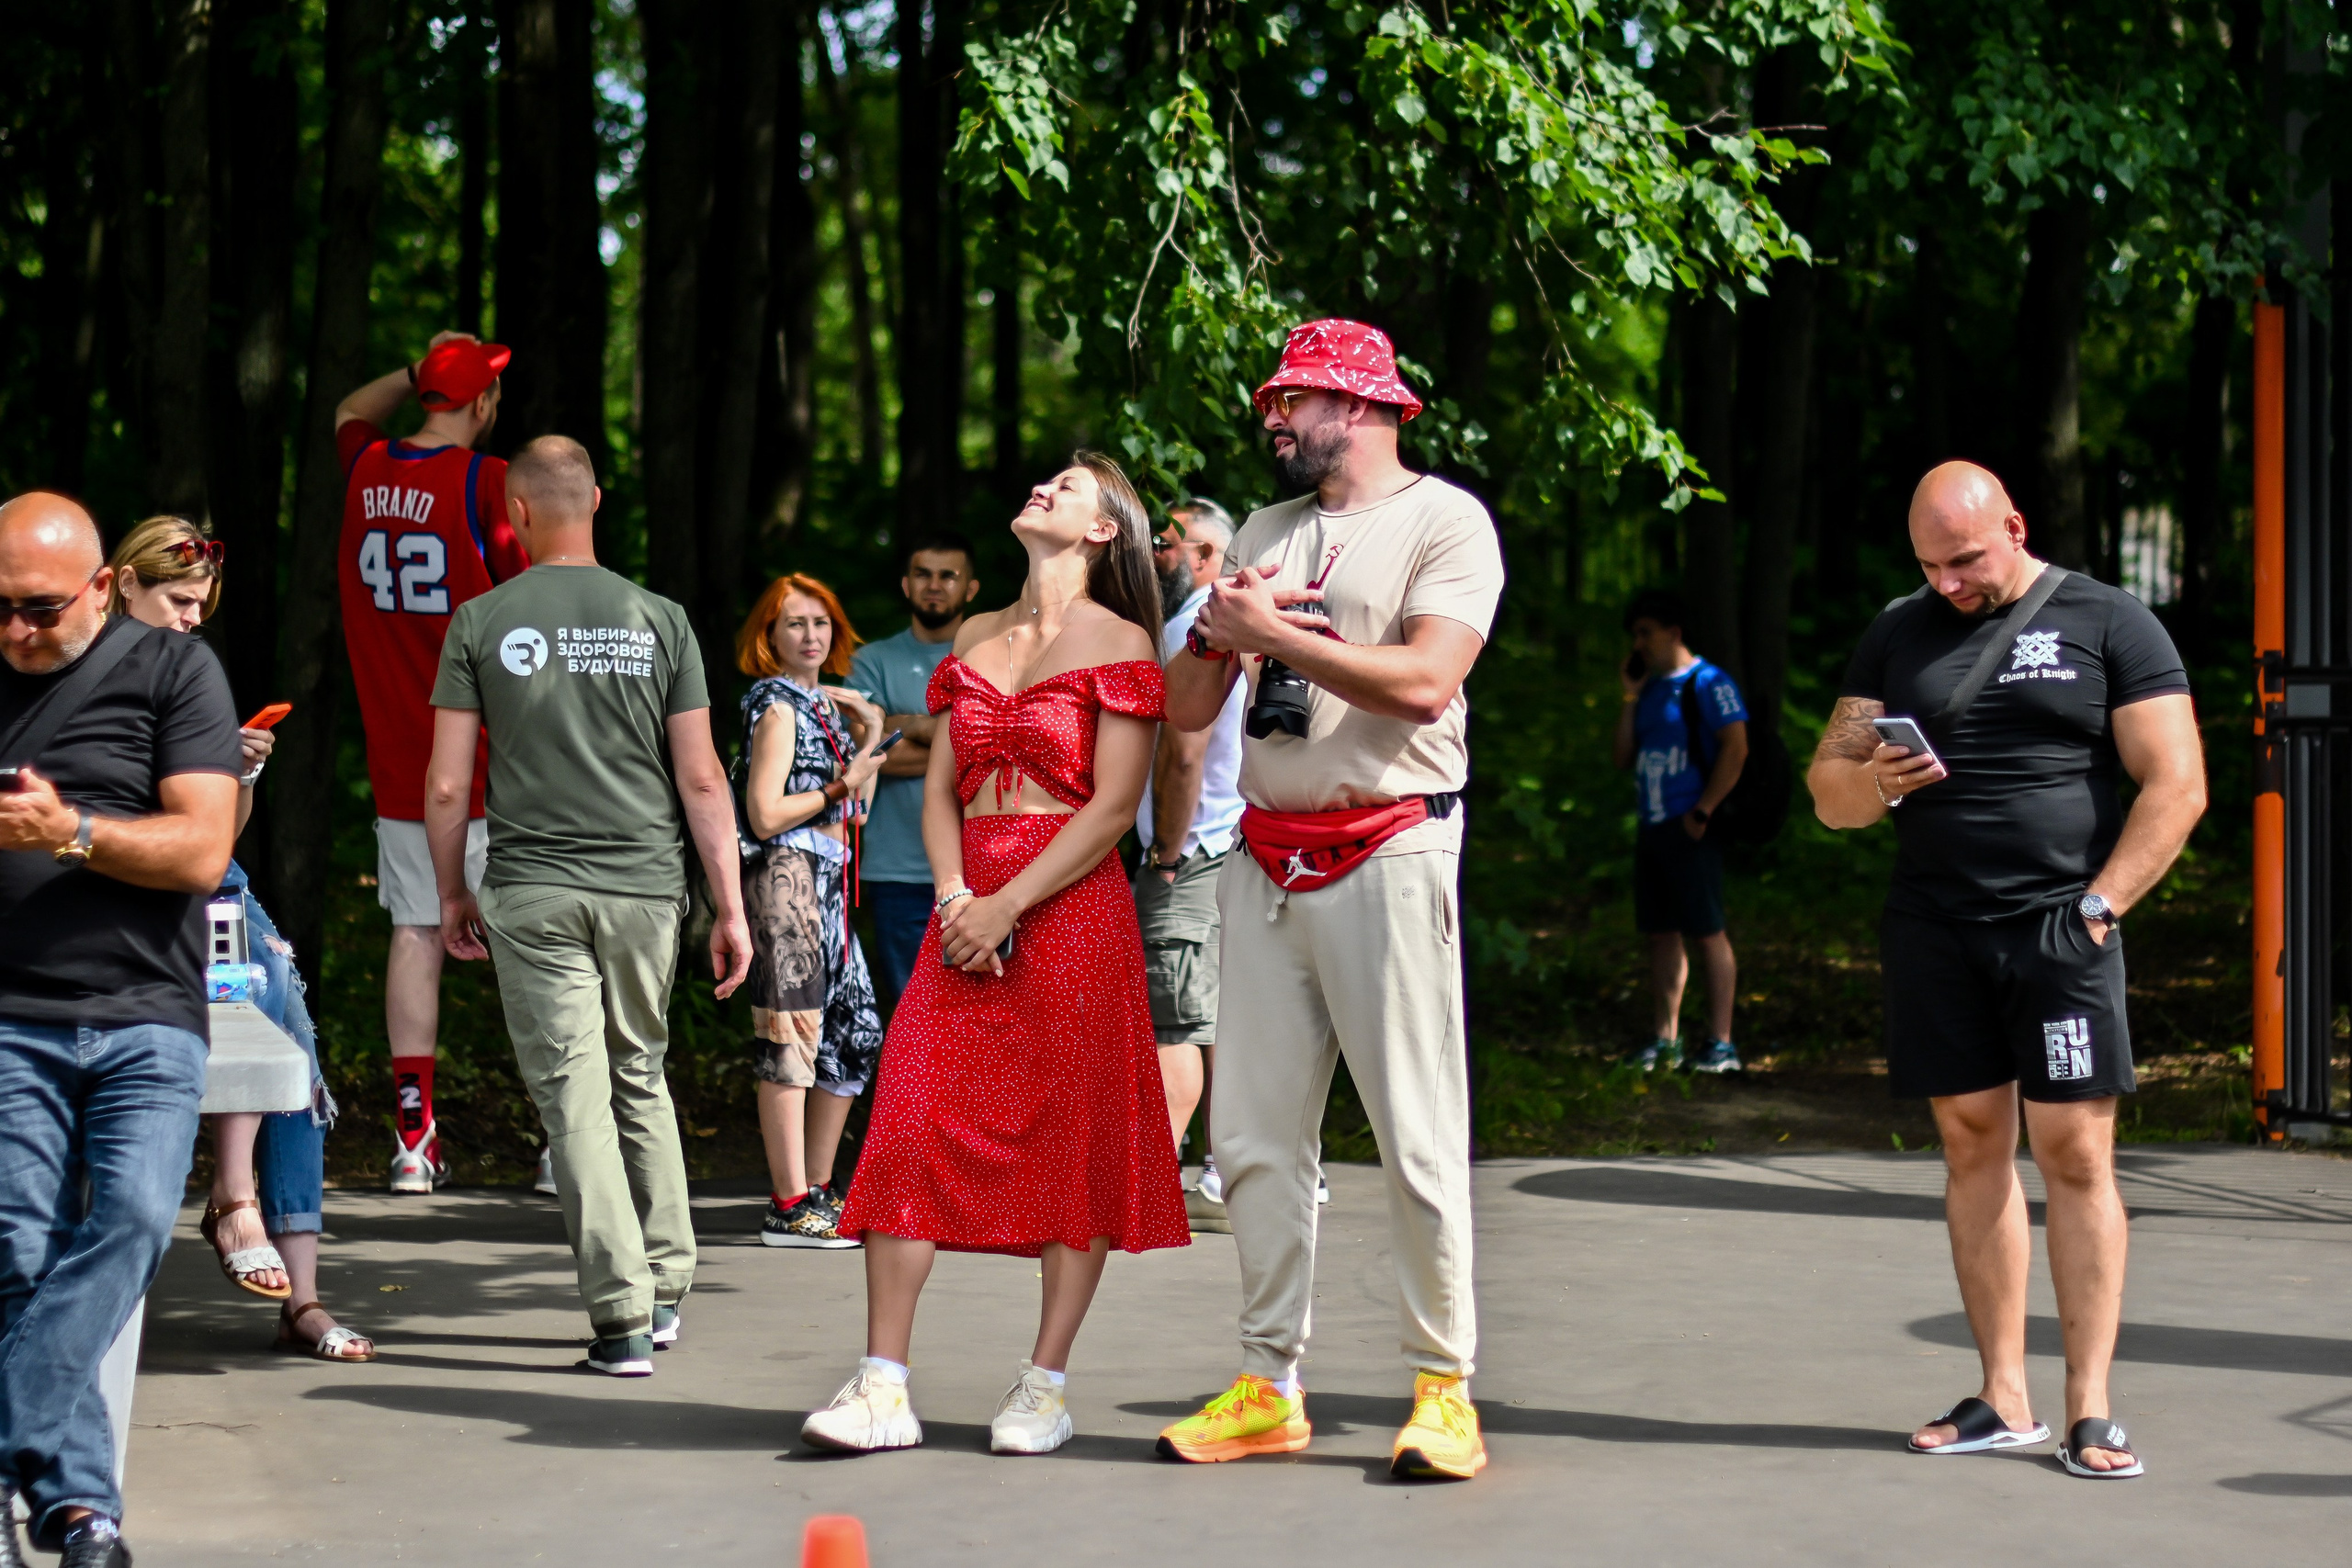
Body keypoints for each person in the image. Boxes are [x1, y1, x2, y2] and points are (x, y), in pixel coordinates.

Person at [1807, 460, 2205, 1478]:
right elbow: (1827, 790)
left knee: (2073, 1151)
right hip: (1935, 927)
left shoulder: (2111, 622)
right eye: (1931, 566)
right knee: (1970, 1141)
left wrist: (2101, 907)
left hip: (2059, 927)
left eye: (1967, 560)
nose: (1950, 583)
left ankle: (2090, 1409)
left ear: (2014, 526)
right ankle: (2002, 1396)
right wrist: (1875, 780)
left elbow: (2177, 785)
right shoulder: (1898, 631)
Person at [1159, 320, 1503, 1482]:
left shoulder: (1442, 521)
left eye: (1291, 402)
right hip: (1264, 859)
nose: (1273, 421)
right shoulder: (1263, 530)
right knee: (1251, 1136)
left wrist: (1280, 643)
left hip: (1390, 849)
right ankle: (1267, 1383)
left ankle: (1443, 1388)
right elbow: (1190, 708)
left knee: (1414, 1131)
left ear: (1355, 408)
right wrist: (1220, 629)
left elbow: (1424, 683)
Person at [799, 452, 1190, 1458]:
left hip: (1066, 910)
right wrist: (958, 898)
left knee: (1072, 1141)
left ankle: (1043, 1385)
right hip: (965, 907)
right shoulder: (975, 634)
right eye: (1045, 482)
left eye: (1067, 488)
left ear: (1104, 531)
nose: (1043, 490)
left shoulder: (1124, 641)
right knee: (910, 1119)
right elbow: (935, 787)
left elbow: (1112, 809)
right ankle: (884, 1383)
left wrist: (1012, 901)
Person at [424, 436, 752, 1376]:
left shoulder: (481, 621)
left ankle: (620, 1316)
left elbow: (447, 790)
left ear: (515, 514)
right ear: (596, 501)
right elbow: (700, 778)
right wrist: (728, 908)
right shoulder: (661, 619)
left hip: (533, 888)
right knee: (638, 1072)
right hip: (647, 889)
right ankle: (669, 1279)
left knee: (572, 1095)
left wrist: (452, 890)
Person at [0, 492, 240, 1565]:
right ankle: (80, 1511)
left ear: (101, 589)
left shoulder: (173, 671)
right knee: (13, 1249)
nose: (15, 632)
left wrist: (72, 834)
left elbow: (198, 852)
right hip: (11, 1015)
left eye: (39, 610)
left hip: (145, 1010)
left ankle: (17, 1435)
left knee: (138, 1219)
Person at [105, 517, 373, 1362]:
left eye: (201, 606)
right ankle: (231, 1195)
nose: (190, 619)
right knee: (247, 995)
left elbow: (222, 835)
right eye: (178, 600)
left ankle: (303, 1297)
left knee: (291, 1040)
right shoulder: (85, 674)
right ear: (121, 585)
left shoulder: (194, 673)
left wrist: (242, 771)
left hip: (216, 882)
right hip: (133, 888)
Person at [334, 330, 547, 1195]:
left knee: (416, 933)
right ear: (484, 405)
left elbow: (350, 408)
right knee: (535, 944)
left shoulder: (363, 468)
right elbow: (530, 605)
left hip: (401, 756)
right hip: (499, 760)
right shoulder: (486, 482)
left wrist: (416, 370)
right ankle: (556, 1141)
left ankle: (413, 1143)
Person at [735, 574, 891, 1247]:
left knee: (856, 1030)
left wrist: (873, 732)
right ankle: (790, 1203)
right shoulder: (777, 705)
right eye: (795, 623)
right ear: (769, 636)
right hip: (785, 880)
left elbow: (858, 809)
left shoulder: (824, 706)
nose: (811, 635)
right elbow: (765, 813)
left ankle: (821, 1192)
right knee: (790, 1035)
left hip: (829, 880)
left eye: (821, 622)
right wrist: (840, 782)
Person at [1134, 500, 1250, 1198]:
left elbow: (1182, 751)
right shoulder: (1229, 622)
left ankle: (1150, 1180)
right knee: (1211, 1013)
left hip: (1194, 849)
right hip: (1230, 844)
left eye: (1169, 548)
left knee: (1173, 1018)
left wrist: (1165, 855)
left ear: (1208, 557)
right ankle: (1223, 1167)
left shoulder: (1194, 628)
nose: (1154, 557)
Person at [1612, 589, 1749, 1074]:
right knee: (1661, 933)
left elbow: (1736, 748)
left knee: (1708, 932)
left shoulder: (1709, 683)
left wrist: (1703, 811)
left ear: (1673, 632)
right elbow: (1622, 757)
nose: (1639, 642)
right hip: (1653, 825)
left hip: (1693, 826)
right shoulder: (1648, 689)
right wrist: (1630, 696)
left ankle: (1721, 1044)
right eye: (1636, 634)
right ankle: (1665, 1041)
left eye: (1646, 632)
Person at [848, 536, 981, 1007]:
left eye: (949, 576)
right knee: (910, 1007)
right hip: (896, 870)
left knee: (978, 1011)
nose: (935, 585)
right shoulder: (872, 661)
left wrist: (906, 724)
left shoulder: (989, 655)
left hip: (982, 868)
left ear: (971, 589)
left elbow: (1007, 753)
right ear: (906, 585)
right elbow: (863, 756)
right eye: (924, 574)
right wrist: (956, 738)